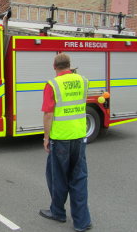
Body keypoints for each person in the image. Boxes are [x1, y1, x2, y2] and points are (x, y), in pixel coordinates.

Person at [39, 53, 92, 232]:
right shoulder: (83, 81)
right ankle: (82, 222)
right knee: (79, 179)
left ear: (55, 67)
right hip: (79, 137)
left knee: (57, 178)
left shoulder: (52, 84)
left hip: (60, 139)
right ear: (69, 66)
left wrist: (46, 138)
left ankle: (58, 212)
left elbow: (48, 114)